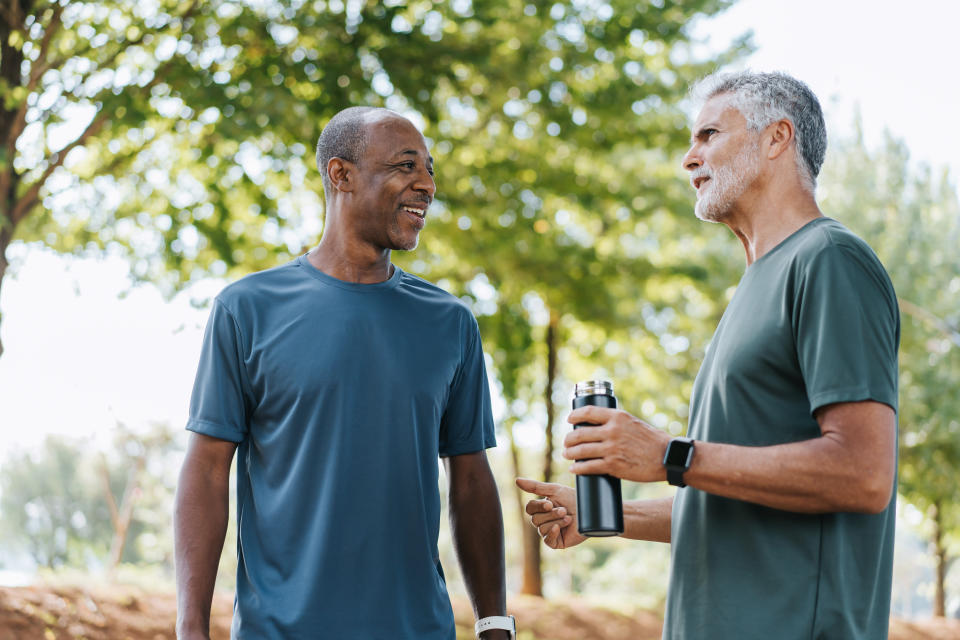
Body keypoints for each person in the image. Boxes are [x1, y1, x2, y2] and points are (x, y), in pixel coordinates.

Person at [517, 71, 899, 639]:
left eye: (708, 135)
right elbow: (736, 502)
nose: (688, 159)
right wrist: (609, 516)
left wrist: (670, 455)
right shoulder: (753, 286)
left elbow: (864, 474)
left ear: (777, 139)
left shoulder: (828, 259)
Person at [175, 107, 514, 639]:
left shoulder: (450, 323)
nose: (426, 185)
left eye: (430, 169)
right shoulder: (246, 309)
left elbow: (470, 479)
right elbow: (208, 469)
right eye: (406, 166)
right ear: (341, 175)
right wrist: (190, 627)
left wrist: (495, 623)